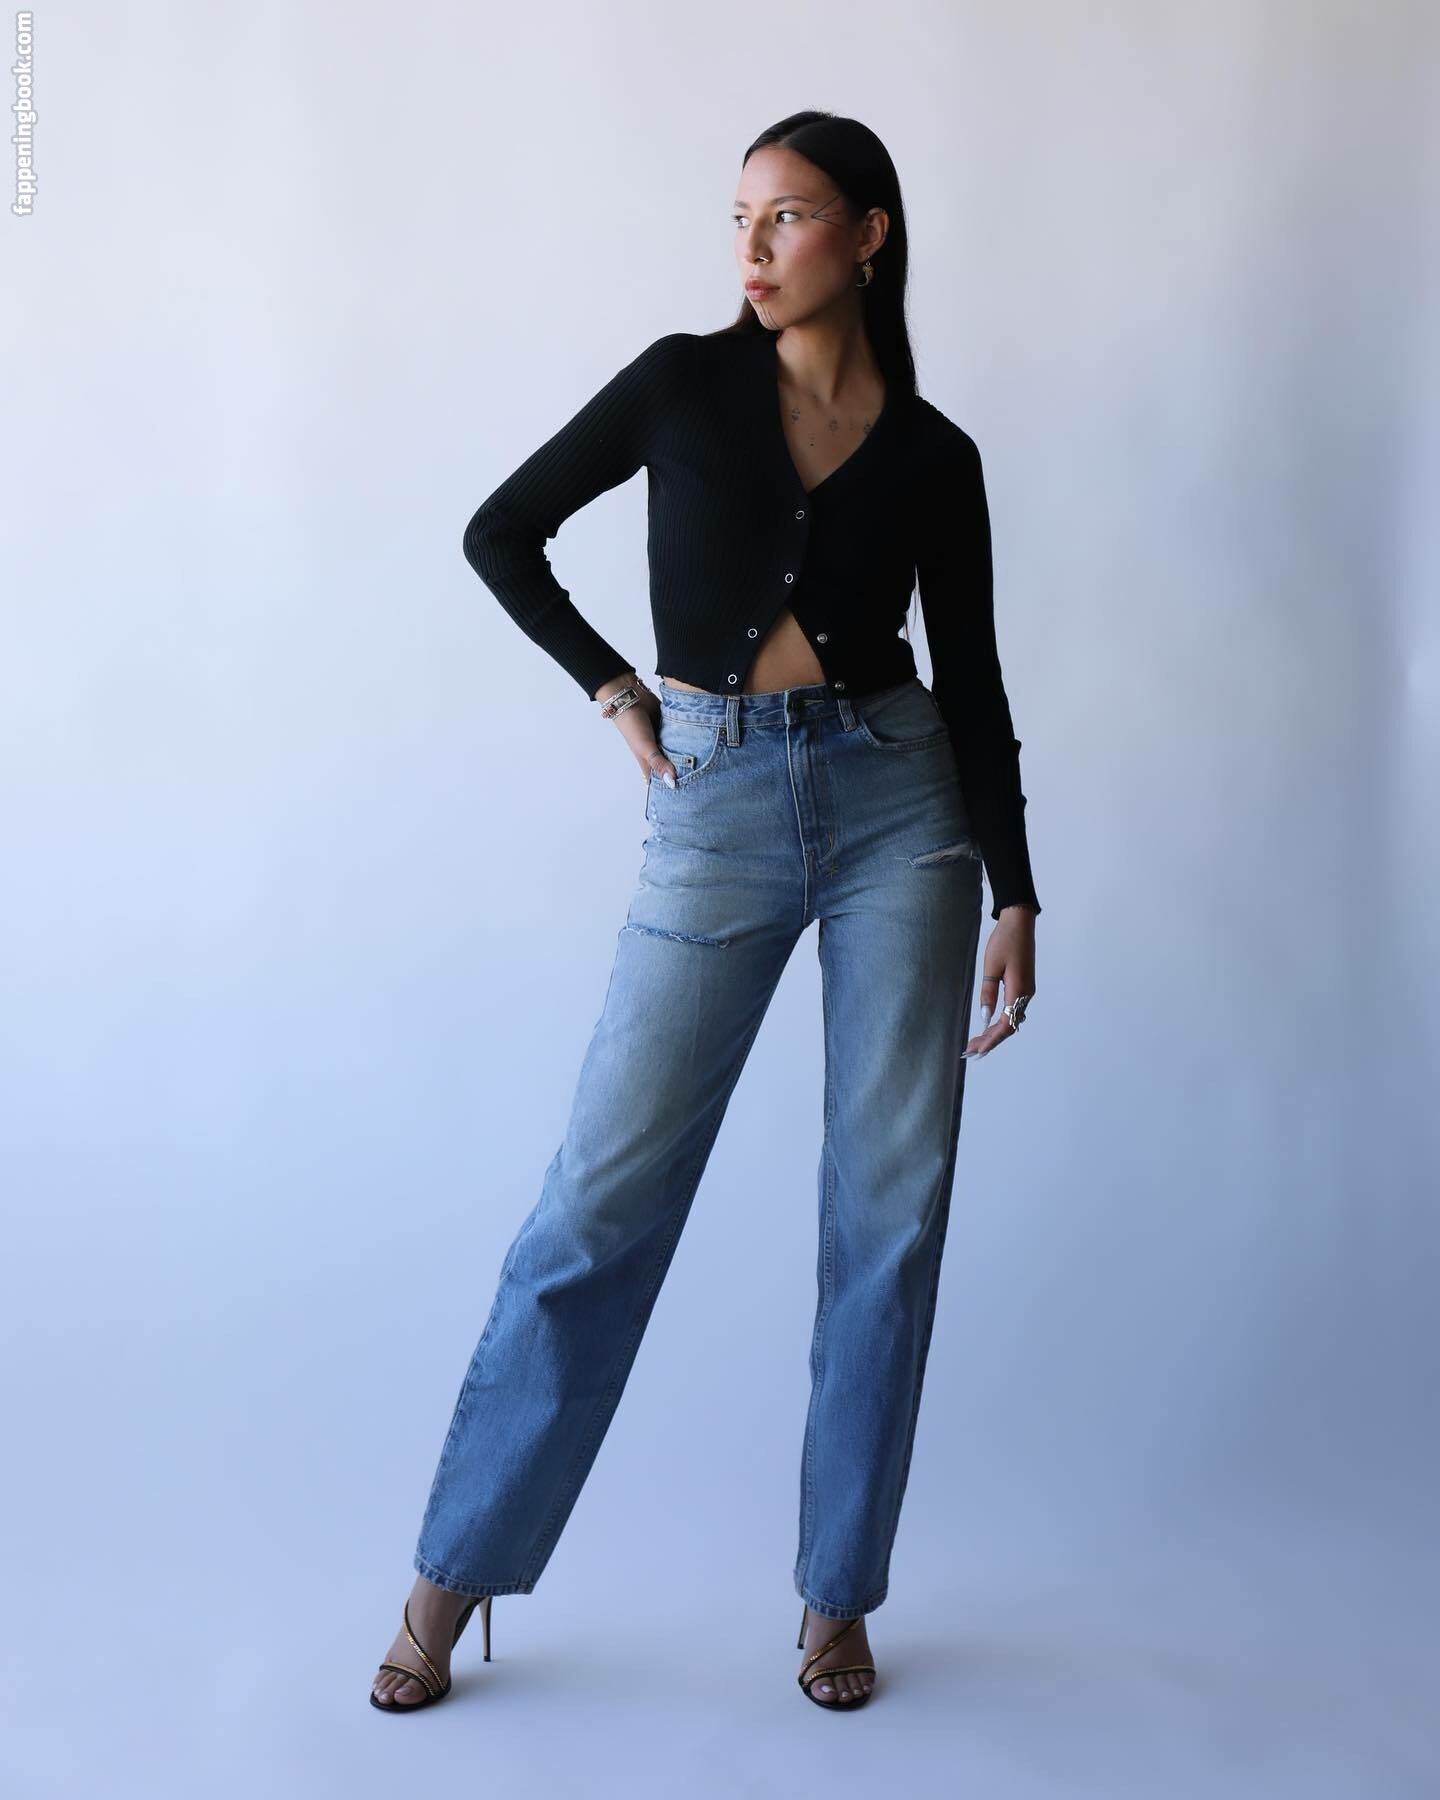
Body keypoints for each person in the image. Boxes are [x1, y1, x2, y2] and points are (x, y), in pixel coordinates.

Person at [371, 108, 1040, 1717]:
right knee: (598, 1204)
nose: (751, 247)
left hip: (902, 814)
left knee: (888, 1215)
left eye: (786, 216)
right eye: (738, 216)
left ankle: (836, 1597)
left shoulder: (936, 457)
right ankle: (453, 1574)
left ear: (868, 235)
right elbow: (499, 531)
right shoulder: (681, 384)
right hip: (716, 805)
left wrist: (1016, 886)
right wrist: (615, 687)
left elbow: (973, 681)